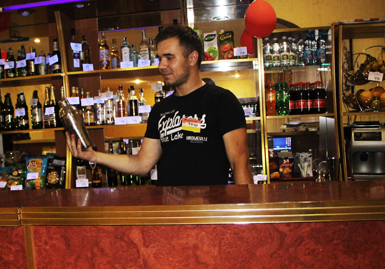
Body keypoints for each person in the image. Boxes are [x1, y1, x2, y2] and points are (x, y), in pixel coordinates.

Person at [66, 24, 253, 186]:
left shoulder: (222, 101)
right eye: (159, 58)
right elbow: (142, 163)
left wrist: (247, 212)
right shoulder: (161, 110)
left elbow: (240, 162)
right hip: (170, 210)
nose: (161, 65)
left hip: (209, 210)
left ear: (192, 58)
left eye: (169, 58)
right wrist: (94, 156)